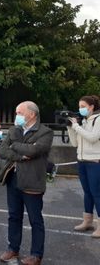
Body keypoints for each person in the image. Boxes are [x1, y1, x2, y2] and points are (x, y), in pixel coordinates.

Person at [0, 101, 53, 265]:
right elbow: (2, 150)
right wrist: (21, 155)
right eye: (16, 113)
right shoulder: (14, 129)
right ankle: (12, 249)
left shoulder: (45, 132)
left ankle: (36, 255)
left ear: (32, 114)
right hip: (13, 178)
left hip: (32, 180)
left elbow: (35, 151)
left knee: (35, 219)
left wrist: (15, 145)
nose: (17, 116)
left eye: (20, 113)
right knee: (14, 216)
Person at [67, 95, 100, 238]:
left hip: (94, 161)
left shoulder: (98, 120)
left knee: (97, 193)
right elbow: (75, 143)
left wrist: (76, 126)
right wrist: (70, 128)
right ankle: (88, 221)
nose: (80, 109)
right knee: (87, 192)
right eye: (79, 107)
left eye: (83, 107)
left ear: (91, 107)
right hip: (81, 160)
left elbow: (93, 138)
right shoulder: (84, 121)